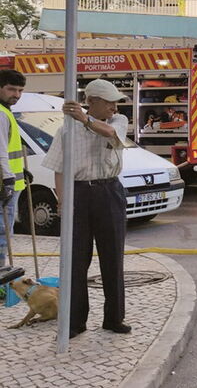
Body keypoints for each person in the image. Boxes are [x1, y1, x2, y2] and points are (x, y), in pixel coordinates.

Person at [42, 79, 132, 338]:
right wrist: (62, 200)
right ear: (92, 101)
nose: (114, 107)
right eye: (109, 102)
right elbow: (60, 169)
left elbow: (111, 134)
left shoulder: (118, 121)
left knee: (112, 257)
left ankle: (114, 318)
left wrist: (85, 120)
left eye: (116, 102)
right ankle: (75, 321)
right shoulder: (66, 131)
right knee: (75, 260)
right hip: (79, 193)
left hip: (109, 191)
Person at [0, 70, 27, 282]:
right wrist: (8, 180)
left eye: (20, 90)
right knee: (2, 233)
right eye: (11, 89)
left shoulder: (6, 111)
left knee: (4, 232)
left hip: (12, 181)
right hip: (5, 185)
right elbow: (0, 151)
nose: (16, 94)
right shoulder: (1, 113)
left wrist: (21, 172)